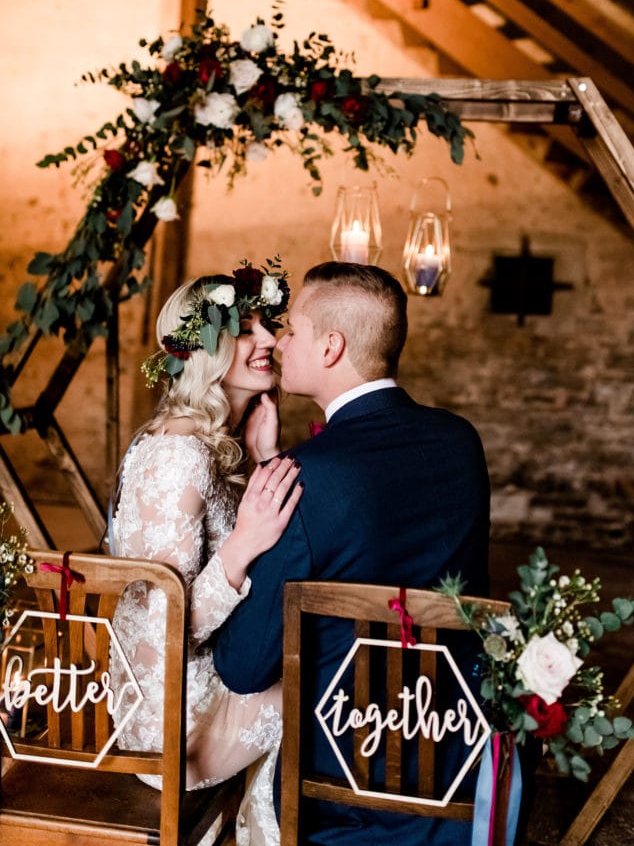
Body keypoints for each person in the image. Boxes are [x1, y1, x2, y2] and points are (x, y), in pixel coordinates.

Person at [213, 261, 491, 845]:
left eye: (292, 331)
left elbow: (244, 668)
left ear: (332, 347)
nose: (280, 343)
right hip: (455, 759)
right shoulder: (462, 442)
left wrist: (271, 473)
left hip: (341, 778)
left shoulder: (307, 477)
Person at [109, 261, 302, 846]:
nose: (269, 339)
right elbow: (162, 625)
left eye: (267, 325)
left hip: (197, 685)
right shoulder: (178, 454)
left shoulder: (208, 444)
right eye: (247, 330)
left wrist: (265, 456)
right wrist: (242, 547)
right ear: (207, 350)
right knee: (315, 687)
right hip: (169, 719)